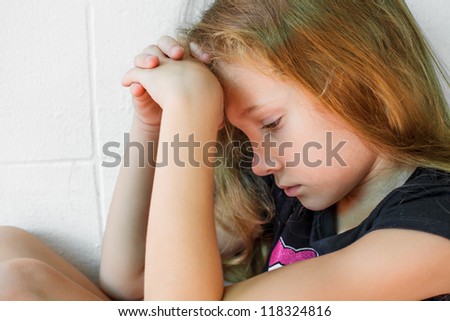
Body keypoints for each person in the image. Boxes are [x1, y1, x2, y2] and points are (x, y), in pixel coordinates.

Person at [1, 0, 449, 301]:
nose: (262, 161)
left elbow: (183, 314)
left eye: (271, 124)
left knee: (20, 281)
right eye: (246, 133)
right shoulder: (298, 191)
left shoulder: (433, 230)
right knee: (8, 246)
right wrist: (153, 125)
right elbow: (129, 278)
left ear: (366, 84)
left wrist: (190, 113)